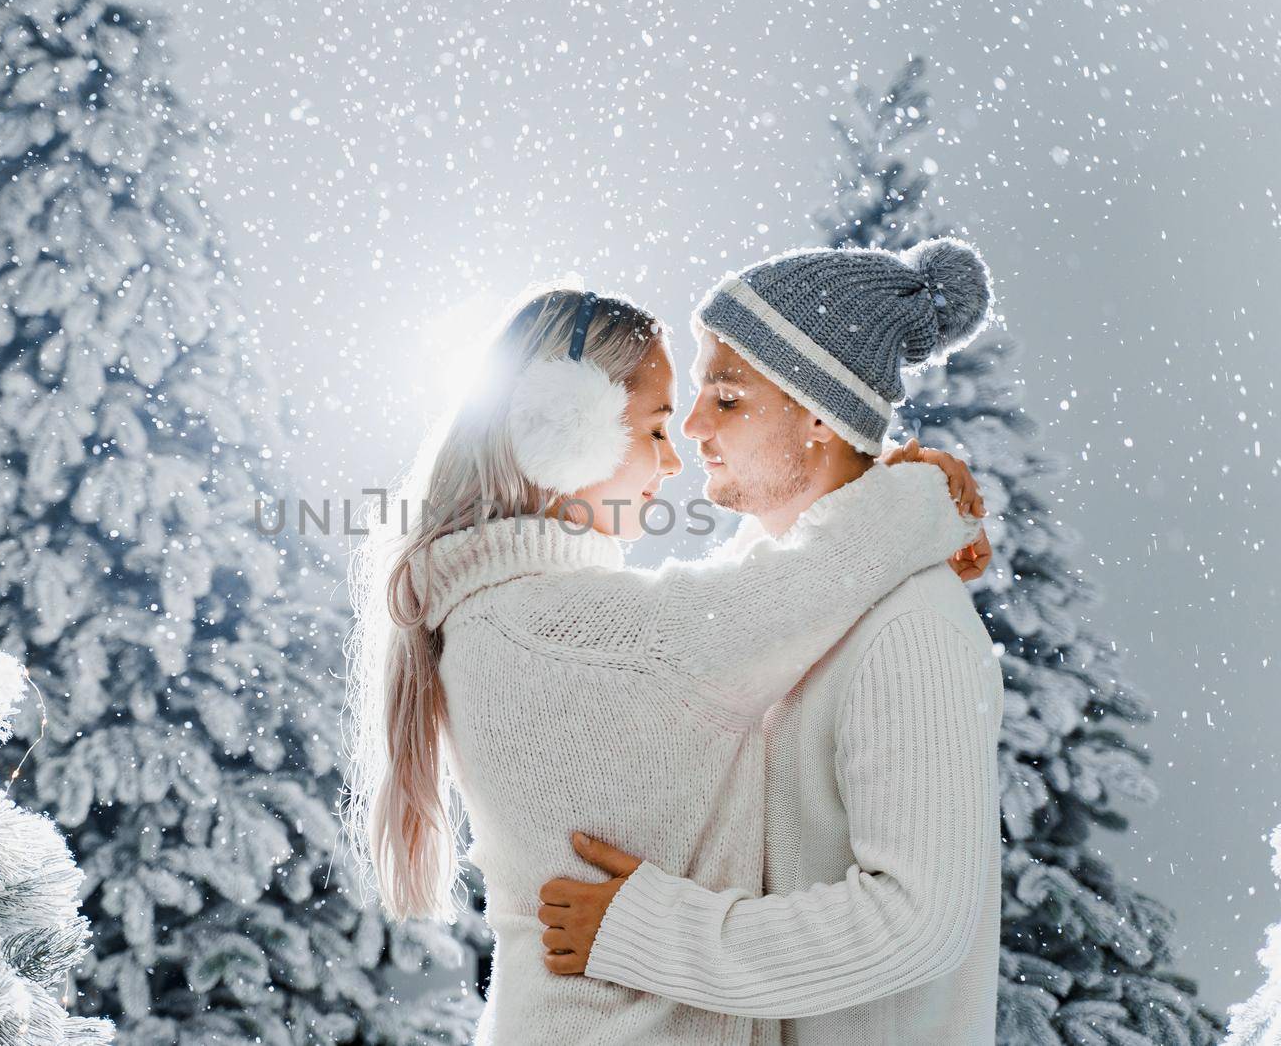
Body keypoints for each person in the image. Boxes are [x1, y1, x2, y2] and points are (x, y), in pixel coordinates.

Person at [344, 252, 988, 1044]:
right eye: (658, 423)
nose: (684, 441)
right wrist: (920, 497)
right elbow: (760, 602)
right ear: (564, 429)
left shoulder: (510, 615)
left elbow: (750, 602)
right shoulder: (565, 632)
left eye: (722, 398)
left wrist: (896, 506)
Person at [537, 239, 1004, 1045]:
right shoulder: (766, 594)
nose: (690, 425)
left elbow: (920, 919)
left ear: (820, 413)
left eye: (726, 397)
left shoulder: (909, 629)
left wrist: (650, 931)